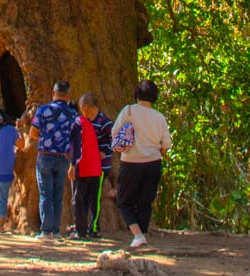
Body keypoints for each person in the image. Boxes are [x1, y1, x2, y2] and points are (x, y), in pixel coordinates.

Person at [113, 79, 172, 249]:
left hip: (130, 162)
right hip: (153, 163)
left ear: (137, 94)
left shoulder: (129, 111)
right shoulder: (159, 117)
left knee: (124, 201)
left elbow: (114, 132)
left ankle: (138, 235)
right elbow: (166, 144)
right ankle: (142, 235)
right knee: (145, 201)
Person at [25, 81, 77, 240]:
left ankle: (46, 232)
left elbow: (33, 133)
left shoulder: (43, 111)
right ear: (68, 96)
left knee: (46, 194)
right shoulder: (72, 114)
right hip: (62, 158)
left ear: (53, 94)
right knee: (57, 194)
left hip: (45, 155)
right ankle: (55, 231)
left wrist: (46, 137)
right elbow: (75, 137)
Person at [68, 93, 111, 239]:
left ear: (85, 107)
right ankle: (85, 227)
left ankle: (91, 228)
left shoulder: (101, 121)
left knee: (91, 198)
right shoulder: (88, 122)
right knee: (85, 198)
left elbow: (115, 138)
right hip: (91, 164)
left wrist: (105, 151)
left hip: (97, 166)